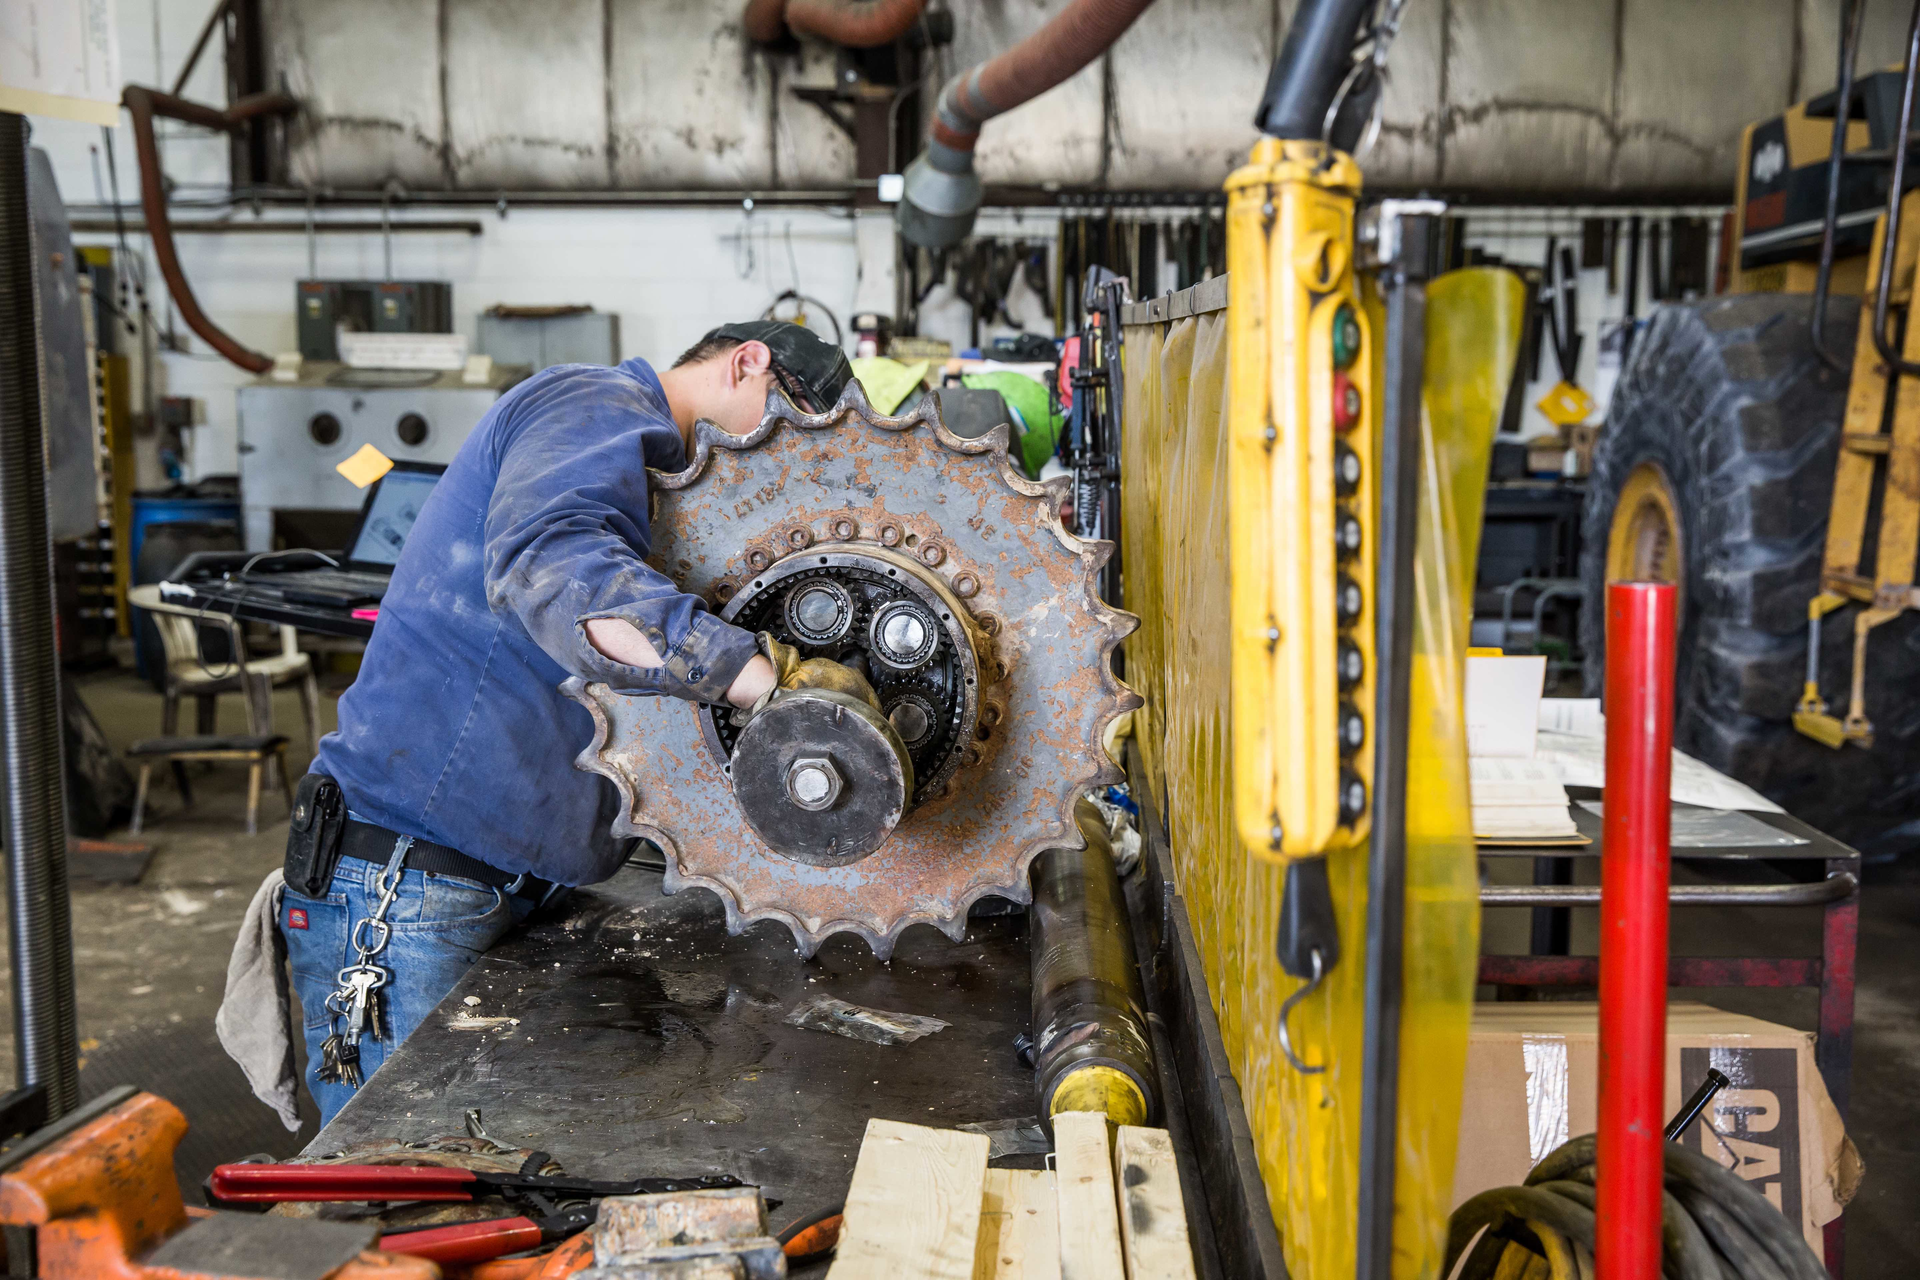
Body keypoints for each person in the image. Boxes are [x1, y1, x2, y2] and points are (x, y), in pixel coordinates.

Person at [279, 321, 860, 1123]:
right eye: (787, 425)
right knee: (396, 1191)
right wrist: (767, 685)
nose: (785, 461)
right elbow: (562, 578)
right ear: (747, 363)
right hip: (404, 887)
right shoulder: (596, 404)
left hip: (504, 886)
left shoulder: (659, 482)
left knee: (477, 1178)